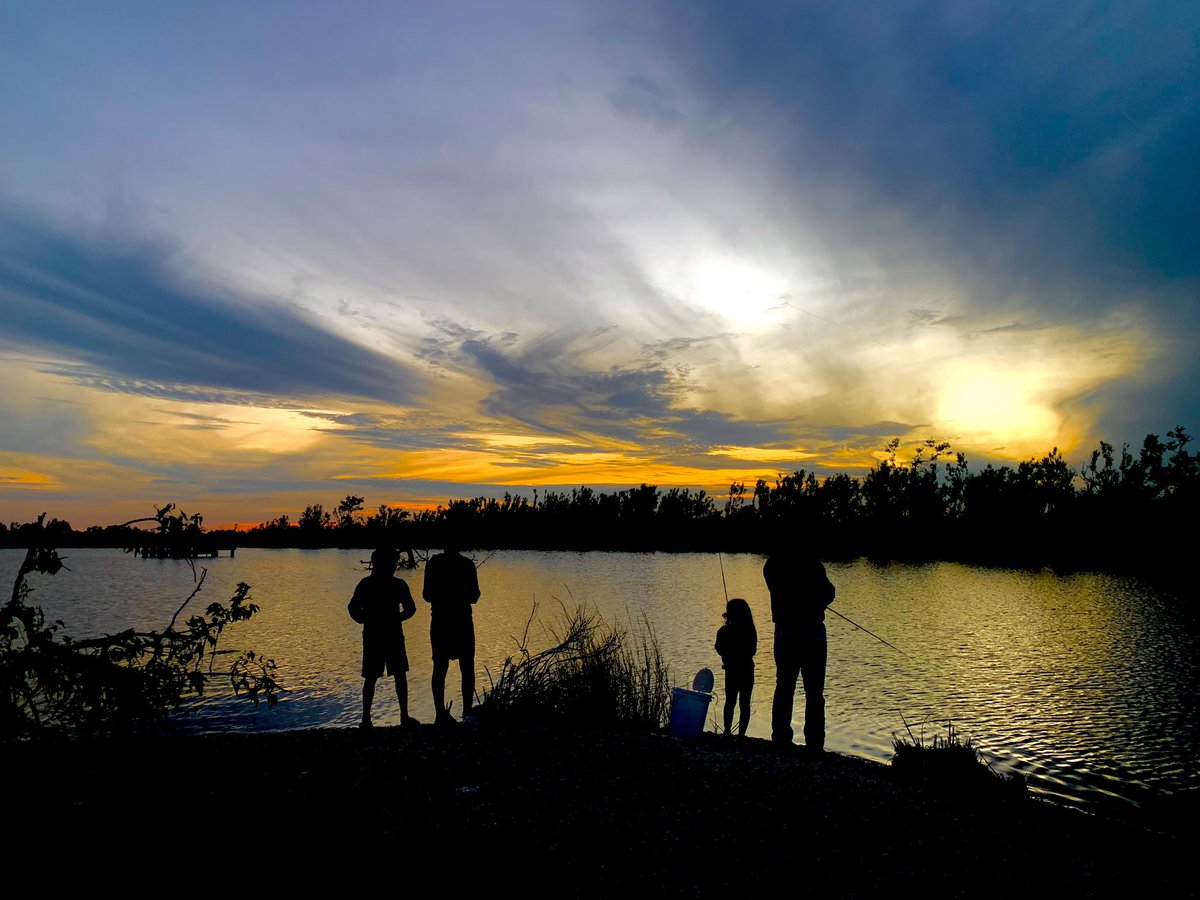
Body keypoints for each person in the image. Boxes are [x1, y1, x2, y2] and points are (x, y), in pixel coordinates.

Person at [763, 544, 835, 751]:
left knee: (784, 688)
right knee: (814, 692)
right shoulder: (811, 561)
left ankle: (781, 738)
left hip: (785, 635)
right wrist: (815, 600)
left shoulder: (773, 563)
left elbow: (774, 586)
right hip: (813, 636)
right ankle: (814, 743)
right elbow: (829, 592)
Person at [348, 548, 418, 729]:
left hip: (382, 634)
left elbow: (411, 608)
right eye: (392, 563)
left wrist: (365, 619)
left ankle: (377, 718)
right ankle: (373, 718)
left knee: (388, 676)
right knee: (381, 676)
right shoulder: (386, 584)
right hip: (383, 634)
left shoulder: (370, 584)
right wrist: (366, 620)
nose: (394, 566)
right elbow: (353, 608)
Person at [422, 543, 480, 725]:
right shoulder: (466, 565)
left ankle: (442, 713)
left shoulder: (434, 564)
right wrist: (459, 594)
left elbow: (427, 595)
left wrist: (444, 594)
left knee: (442, 667)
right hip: (460, 621)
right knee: (464, 667)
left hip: (442, 621)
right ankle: (464, 712)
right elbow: (474, 596)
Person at [714, 597, 757, 737]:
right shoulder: (750, 630)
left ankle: (727, 731)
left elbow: (718, 647)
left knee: (730, 701)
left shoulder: (724, 631)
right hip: (747, 671)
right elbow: (752, 651)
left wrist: (727, 655)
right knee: (745, 704)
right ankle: (741, 735)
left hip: (731, 671)